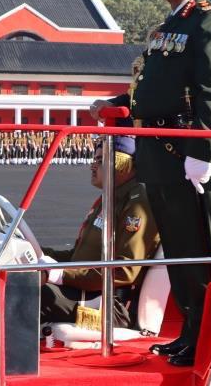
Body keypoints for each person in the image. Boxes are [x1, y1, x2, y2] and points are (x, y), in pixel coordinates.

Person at [90, 0, 211, 366]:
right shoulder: (167, 27)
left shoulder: (210, 22)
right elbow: (148, 91)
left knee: (204, 256)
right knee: (177, 253)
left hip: (190, 157)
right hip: (159, 155)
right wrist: (116, 103)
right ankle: (190, 331)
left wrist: (202, 151)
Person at [40, 136, 160, 330]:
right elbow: (77, 256)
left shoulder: (137, 201)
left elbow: (125, 270)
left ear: (121, 162)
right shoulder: (108, 198)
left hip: (111, 304)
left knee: (31, 295)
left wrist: (61, 274)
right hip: (88, 290)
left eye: (99, 160)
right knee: (22, 283)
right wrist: (39, 253)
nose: (92, 166)